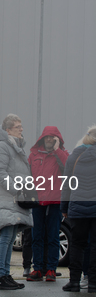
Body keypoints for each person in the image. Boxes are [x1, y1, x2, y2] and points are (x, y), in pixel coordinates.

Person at [0, 114, 33, 290]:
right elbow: (0, 173)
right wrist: (17, 191)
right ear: (8, 130)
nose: (21, 129)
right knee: (6, 237)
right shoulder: (2, 146)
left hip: (17, 200)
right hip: (9, 198)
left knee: (9, 239)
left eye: (21, 126)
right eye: (17, 126)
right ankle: (0, 276)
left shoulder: (17, 147)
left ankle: (5, 274)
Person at [26, 126, 68, 282]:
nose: (49, 140)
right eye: (47, 137)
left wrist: (58, 150)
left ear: (57, 139)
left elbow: (68, 166)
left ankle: (51, 269)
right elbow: (28, 175)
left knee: (53, 236)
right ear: (42, 139)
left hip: (55, 201)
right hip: (37, 201)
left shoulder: (61, 154)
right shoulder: (33, 155)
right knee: (36, 236)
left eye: (52, 137)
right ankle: (37, 269)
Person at [61, 125, 96, 292]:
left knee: (77, 245)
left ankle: (74, 281)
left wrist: (64, 207)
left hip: (77, 207)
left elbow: (67, 184)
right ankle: (93, 282)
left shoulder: (74, 156)